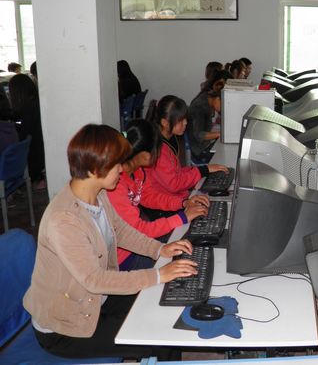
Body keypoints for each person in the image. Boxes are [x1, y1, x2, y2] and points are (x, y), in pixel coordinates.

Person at [23, 124, 199, 360]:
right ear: (96, 169)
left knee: (161, 304)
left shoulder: (98, 194)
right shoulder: (63, 220)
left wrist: (159, 249)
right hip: (66, 326)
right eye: (117, 164)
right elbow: (95, 280)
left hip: (96, 301)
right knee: (159, 338)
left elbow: (121, 230)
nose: (122, 169)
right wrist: (158, 274)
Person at [107, 119, 209, 270]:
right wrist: (182, 217)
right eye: (157, 150)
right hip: (125, 258)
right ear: (144, 154)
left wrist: (183, 203)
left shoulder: (138, 170)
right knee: (188, 260)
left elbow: (150, 196)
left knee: (191, 242)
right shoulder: (115, 186)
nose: (158, 154)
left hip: (140, 244)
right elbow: (138, 230)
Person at [145, 95, 228, 218]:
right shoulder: (158, 149)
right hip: (164, 208)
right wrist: (202, 171)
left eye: (185, 118)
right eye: (180, 120)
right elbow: (174, 184)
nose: (186, 123)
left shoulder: (169, 138)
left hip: (175, 199)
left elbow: (175, 173)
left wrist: (204, 169)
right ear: (165, 123)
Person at [8, 73, 46, 187]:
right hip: (40, 151)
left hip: (36, 156)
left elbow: (24, 135)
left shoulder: (28, 108)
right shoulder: (35, 102)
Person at [187, 89, 221, 164]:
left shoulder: (205, 99)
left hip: (202, 145)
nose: (222, 109)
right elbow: (199, 135)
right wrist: (221, 134)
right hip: (199, 150)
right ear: (217, 98)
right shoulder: (200, 108)